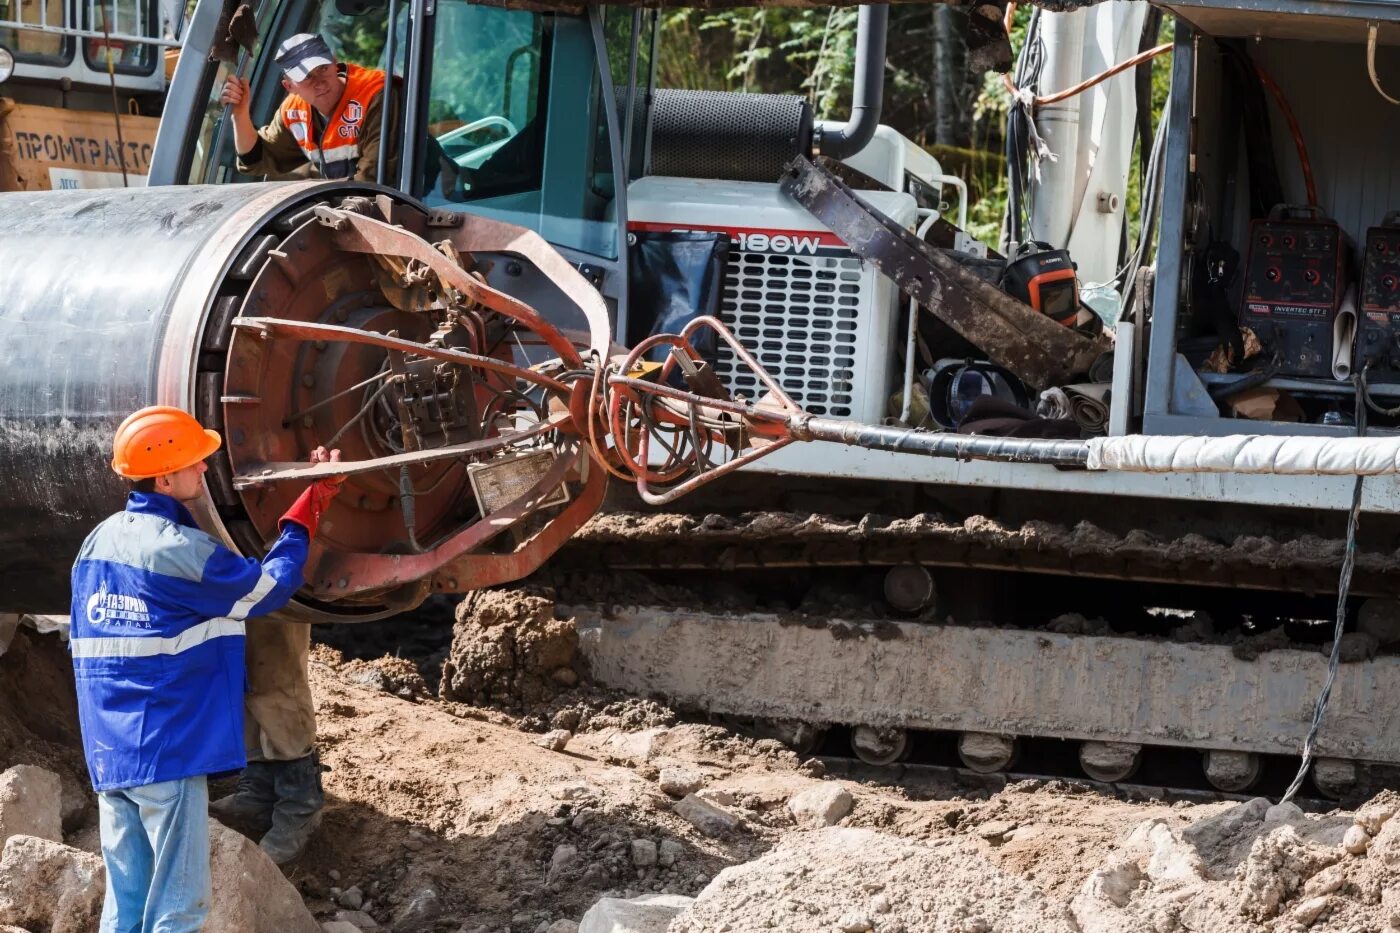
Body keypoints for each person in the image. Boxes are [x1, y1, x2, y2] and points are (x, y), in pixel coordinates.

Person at [70, 406, 344, 930]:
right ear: (165, 476)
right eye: (195, 463)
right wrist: (304, 514)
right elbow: (265, 590)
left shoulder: (99, 540)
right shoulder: (180, 551)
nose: (205, 470)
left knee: (125, 901)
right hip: (165, 750)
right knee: (181, 905)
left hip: (110, 750)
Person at [220, 32, 396, 182]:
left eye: (323, 69)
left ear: (335, 63)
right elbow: (255, 160)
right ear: (289, 87)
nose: (319, 83)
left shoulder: (375, 94)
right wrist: (240, 114)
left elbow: (373, 182)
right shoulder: (294, 112)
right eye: (306, 77)